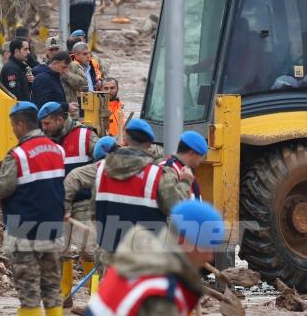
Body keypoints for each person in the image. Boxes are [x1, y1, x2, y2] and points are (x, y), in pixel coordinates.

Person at [63, 118, 191, 270]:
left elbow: (91, 207)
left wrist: (65, 208)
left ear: (124, 140)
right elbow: (177, 208)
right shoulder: (157, 176)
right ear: (149, 145)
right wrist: (185, 182)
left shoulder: (101, 170)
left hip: (110, 259)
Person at [0, 102, 66, 316]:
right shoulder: (57, 150)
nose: (12, 130)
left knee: (29, 292)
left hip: (25, 231)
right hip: (53, 229)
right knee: (52, 288)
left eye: (12, 126)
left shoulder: (18, 155)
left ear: (20, 124)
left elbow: (1, 188)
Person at [87, 200, 225, 315]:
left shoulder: (140, 259)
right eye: (205, 246)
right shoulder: (163, 293)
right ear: (182, 240)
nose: (210, 257)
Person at [38, 102, 98, 305]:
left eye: (47, 123)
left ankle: (96, 297)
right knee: (59, 250)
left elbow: (103, 163)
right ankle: (64, 295)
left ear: (60, 119)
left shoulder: (86, 136)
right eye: (42, 124)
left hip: (84, 202)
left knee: (88, 250)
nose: (44, 128)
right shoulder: (44, 140)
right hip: (57, 204)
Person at [159, 131, 208, 200]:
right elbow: (170, 203)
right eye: (202, 156)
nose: (202, 160)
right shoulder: (167, 169)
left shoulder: (187, 173)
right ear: (192, 153)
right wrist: (185, 182)